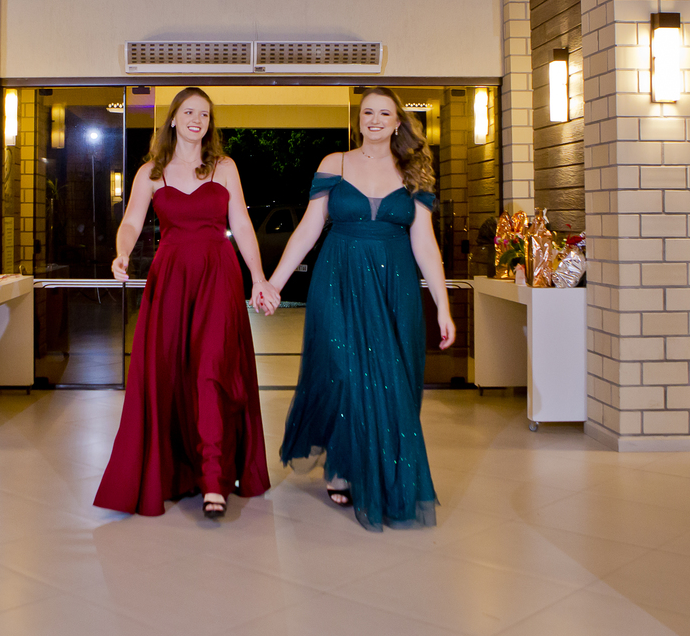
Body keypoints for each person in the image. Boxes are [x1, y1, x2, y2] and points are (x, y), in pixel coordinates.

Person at [267, 86, 455, 532]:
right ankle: (342, 465)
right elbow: (308, 229)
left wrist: (442, 306)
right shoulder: (335, 163)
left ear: (397, 121)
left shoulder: (414, 172)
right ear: (359, 119)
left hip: (395, 288)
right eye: (367, 112)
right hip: (338, 281)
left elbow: (425, 244)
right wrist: (274, 283)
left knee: (391, 379)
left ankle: (381, 470)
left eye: (384, 113)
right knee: (343, 371)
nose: (374, 119)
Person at [94, 87, 280, 520]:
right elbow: (131, 222)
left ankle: (214, 479)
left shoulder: (224, 167)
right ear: (174, 118)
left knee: (212, 369)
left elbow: (243, 225)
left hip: (219, 277)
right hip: (171, 280)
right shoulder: (151, 172)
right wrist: (122, 253)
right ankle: (179, 470)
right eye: (189, 112)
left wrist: (259, 278)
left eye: (205, 114)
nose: (197, 120)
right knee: (172, 374)